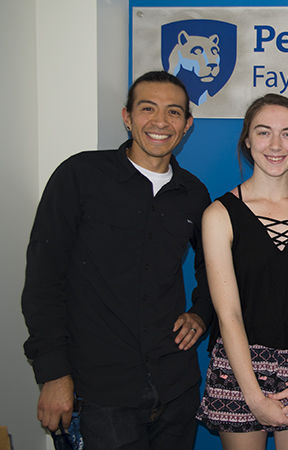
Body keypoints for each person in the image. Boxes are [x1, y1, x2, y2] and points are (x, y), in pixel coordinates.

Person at [21, 70, 211, 449]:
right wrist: (54, 375)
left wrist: (201, 313)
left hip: (175, 388)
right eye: (147, 109)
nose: (160, 122)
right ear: (127, 116)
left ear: (187, 125)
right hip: (100, 394)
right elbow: (43, 282)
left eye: (174, 112)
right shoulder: (80, 176)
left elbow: (214, 269)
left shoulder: (193, 193)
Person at [196, 94, 288, 450]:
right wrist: (254, 398)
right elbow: (228, 315)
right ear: (247, 140)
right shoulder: (219, 215)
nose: (275, 145)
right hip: (238, 374)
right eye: (263, 132)